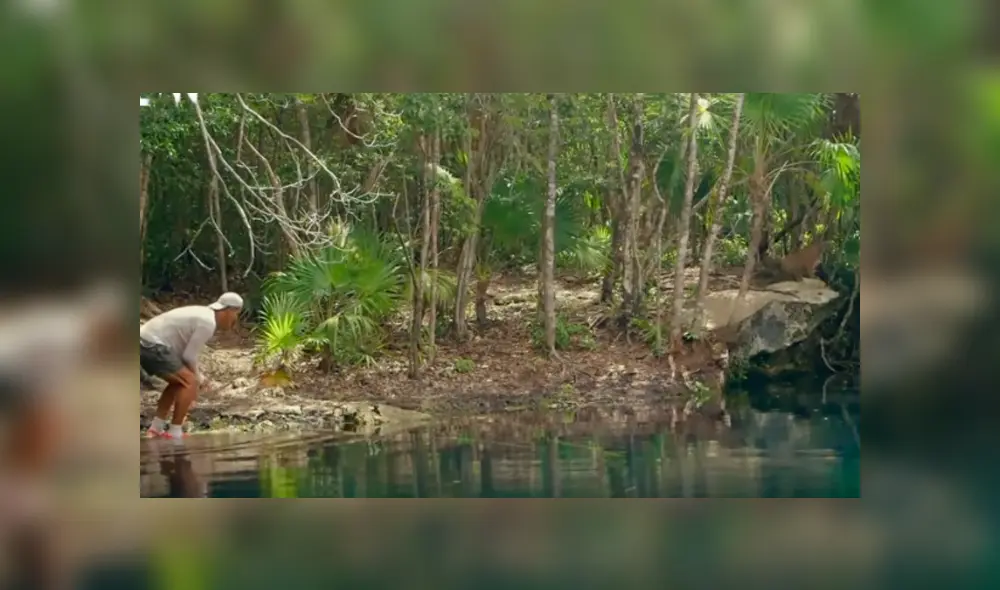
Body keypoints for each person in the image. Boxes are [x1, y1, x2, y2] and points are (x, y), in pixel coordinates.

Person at [139, 292, 243, 439]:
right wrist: (199, 379)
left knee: (178, 382)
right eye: (236, 313)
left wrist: (198, 377)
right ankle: (175, 432)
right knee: (189, 381)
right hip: (151, 344)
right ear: (228, 310)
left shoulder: (203, 314)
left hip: (144, 342)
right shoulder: (208, 322)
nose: (235, 319)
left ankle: (156, 428)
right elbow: (189, 356)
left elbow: (185, 356)